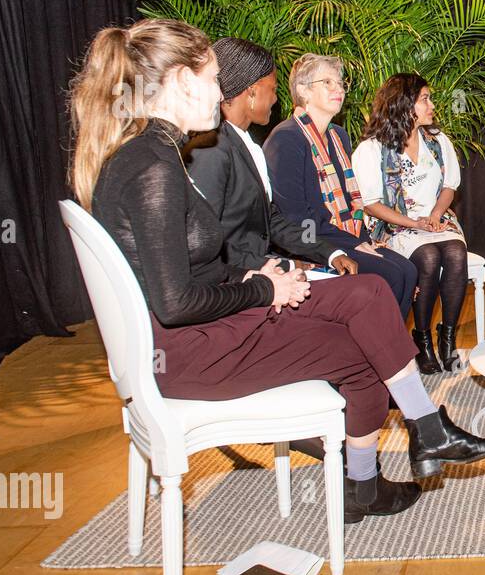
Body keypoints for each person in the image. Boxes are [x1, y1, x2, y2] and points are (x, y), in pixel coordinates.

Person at [69, 20, 485, 524]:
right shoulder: (154, 167)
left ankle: (423, 432)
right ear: (180, 81)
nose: (221, 93)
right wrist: (261, 288)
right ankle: (373, 476)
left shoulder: (153, 153)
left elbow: (192, 267)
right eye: (215, 80)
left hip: (199, 331)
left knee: (366, 295)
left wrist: (265, 279)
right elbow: (175, 302)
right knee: (365, 350)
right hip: (191, 352)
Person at [186, 38, 358, 278]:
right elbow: (207, 247)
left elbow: (272, 220)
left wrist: (328, 252)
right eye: (274, 89)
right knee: (368, 292)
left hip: (260, 269)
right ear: (253, 91)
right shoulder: (213, 150)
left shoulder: (246, 145)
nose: (276, 99)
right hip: (237, 285)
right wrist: (286, 267)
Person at [263, 54, 418, 317]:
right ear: (303, 91)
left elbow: (350, 201)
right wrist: (349, 243)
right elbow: (297, 220)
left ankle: (387, 350)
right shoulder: (286, 138)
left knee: (409, 270)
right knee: (391, 274)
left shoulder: (339, 135)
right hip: (313, 241)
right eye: (327, 82)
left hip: (345, 233)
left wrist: (363, 240)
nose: (339, 89)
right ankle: (377, 352)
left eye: (340, 83)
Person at [353, 74, 468, 374]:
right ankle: (423, 341)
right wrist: (412, 222)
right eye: (425, 99)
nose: (432, 105)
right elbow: (370, 203)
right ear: (405, 106)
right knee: (428, 258)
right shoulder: (372, 149)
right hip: (395, 225)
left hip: (436, 219)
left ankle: (448, 340)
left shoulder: (439, 141)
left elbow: (449, 186)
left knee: (456, 253)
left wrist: (436, 214)